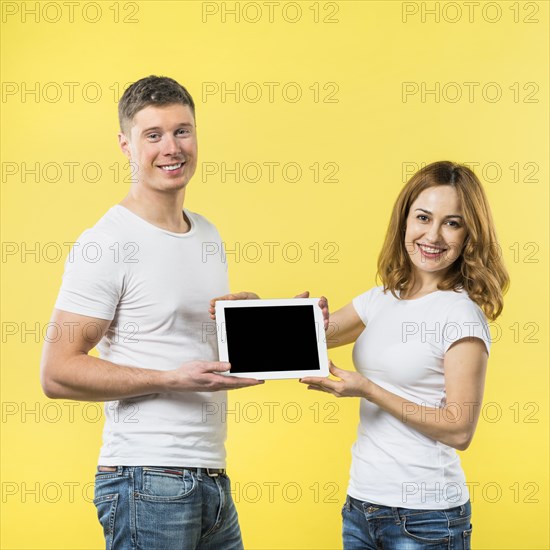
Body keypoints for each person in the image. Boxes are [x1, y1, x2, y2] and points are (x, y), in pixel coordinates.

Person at [40, 75, 267, 550]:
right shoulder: (107, 241)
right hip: (146, 480)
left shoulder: (206, 233)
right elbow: (58, 373)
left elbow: (188, 346)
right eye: (154, 135)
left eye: (182, 131)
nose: (172, 147)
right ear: (126, 145)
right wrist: (172, 378)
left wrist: (253, 322)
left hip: (210, 477)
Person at [300, 161, 509, 549]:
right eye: (423, 217)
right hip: (362, 507)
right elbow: (308, 338)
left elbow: (459, 429)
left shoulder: (460, 315)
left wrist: (368, 389)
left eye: (452, 223)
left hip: (427, 518)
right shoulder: (381, 299)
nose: (433, 235)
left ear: (469, 235)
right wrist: (255, 309)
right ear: (405, 221)